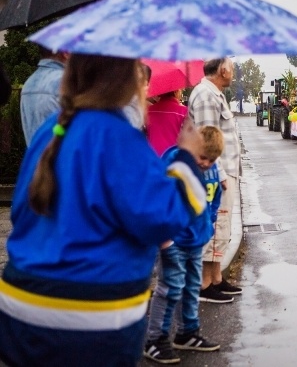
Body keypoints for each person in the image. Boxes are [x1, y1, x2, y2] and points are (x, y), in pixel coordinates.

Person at [0, 55, 208, 367]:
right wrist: (188, 159)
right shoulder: (117, 136)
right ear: (128, 80)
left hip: (20, 311)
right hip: (88, 322)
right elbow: (163, 219)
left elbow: (21, 213)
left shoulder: (51, 131)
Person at [144, 126, 225, 364]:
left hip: (195, 238)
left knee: (191, 286)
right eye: (202, 158)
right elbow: (157, 196)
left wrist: (208, 224)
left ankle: (187, 332)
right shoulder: (174, 162)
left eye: (212, 160)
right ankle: (154, 339)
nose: (206, 164)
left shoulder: (210, 170)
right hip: (174, 239)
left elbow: (213, 196)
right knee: (170, 287)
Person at [188, 57, 243, 302]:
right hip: (215, 175)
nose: (232, 72)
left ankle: (216, 278)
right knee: (214, 226)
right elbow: (207, 140)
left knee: (222, 227)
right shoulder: (205, 96)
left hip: (224, 171)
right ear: (222, 69)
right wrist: (218, 176)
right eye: (231, 67)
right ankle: (204, 285)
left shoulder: (214, 94)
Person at [20, 46, 69, 145]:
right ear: (65, 52)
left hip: (35, 158)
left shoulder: (29, 83)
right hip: (61, 158)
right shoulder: (64, 82)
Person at [147, 90, 188, 156]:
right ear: (176, 92)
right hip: (173, 158)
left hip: (153, 157)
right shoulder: (183, 112)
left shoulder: (149, 111)